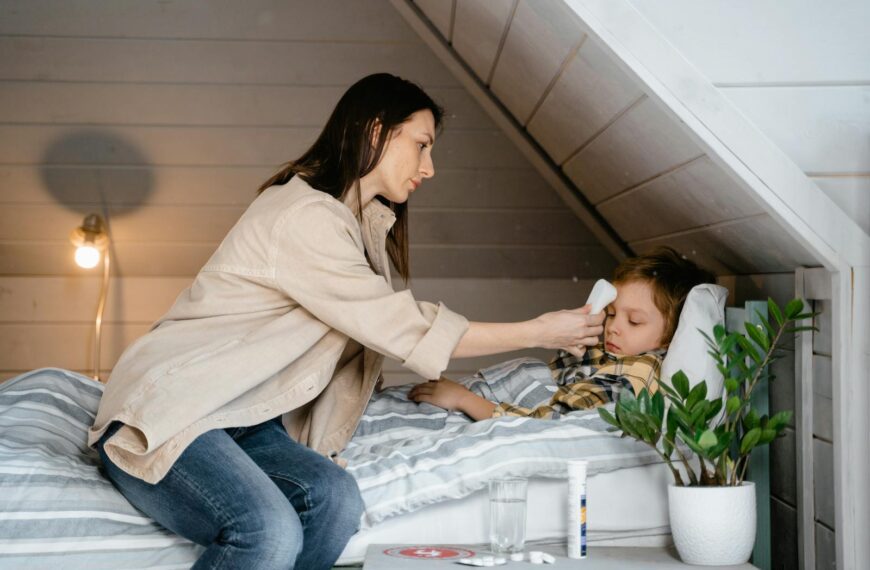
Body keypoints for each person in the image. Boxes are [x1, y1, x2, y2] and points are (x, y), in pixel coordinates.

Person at [87, 73, 605, 570]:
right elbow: (404, 326)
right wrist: (540, 331)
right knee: (269, 530)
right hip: (177, 409)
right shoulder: (305, 216)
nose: (429, 168)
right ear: (376, 132)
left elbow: (345, 362)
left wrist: (319, 449)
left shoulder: (356, 224)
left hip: (244, 418)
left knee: (335, 500)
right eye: (422, 145)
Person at [410, 247, 715, 421]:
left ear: (670, 336)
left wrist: (464, 399)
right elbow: (554, 378)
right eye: (611, 313)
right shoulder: (607, 353)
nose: (613, 327)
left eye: (634, 321)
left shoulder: (637, 372)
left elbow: (550, 423)